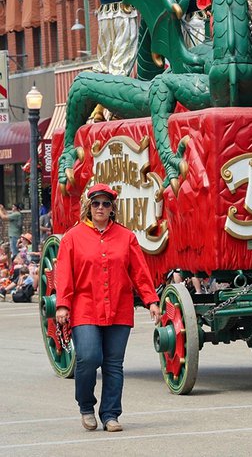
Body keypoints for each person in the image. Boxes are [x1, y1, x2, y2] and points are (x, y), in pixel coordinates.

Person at [55, 183, 160, 432]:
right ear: (88, 207)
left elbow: (140, 273)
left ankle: (111, 414)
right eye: (96, 203)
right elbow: (64, 275)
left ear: (112, 208)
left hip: (119, 308)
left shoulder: (127, 237)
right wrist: (62, 305)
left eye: (105, 203)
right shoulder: (72, 237)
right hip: (85, 308)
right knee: (89, 358)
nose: (100, 207)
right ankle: (86, 406)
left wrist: (152, 300)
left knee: (113, 364)